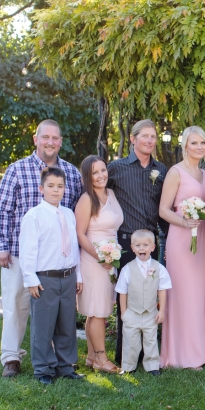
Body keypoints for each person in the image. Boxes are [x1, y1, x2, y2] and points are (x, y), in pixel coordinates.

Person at [0, 119, 82, 378]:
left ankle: (54, 360)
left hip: (56, 260)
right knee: (16, 305)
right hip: (21, 256)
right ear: (36, 139)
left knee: (52, 312)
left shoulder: (71, 173)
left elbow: (75, 211)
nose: (50, 142)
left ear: (61, 142)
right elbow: (2, 209)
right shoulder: (18, 169)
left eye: (55, 138)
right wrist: (2, 246)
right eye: (45, 137)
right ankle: (11, 357)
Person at [158, 126, 205, 370]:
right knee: (184, 296)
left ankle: (202, 351)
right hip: (181, 240)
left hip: (201, 238)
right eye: (194, 143)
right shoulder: (176, 172)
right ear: (185, 146)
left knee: (200, 295)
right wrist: (184, 221)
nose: (199, 147)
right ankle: (180, 355)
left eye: (202, 143)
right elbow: (163, 210)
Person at [108, 119, 168, 364]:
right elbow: (98, 196)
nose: (149, 141)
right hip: (126, 245)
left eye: (153, 136)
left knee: (150, 299)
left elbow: (164, 208)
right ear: (133, 139)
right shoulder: (116, 168)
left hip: (151, 245)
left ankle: (149, 356)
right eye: (144, 136)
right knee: (128, 300)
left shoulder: (161, 170)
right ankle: (126, 356)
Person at [19, 167, 83, 384]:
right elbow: (27, 251)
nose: (56, 191)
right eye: (51, 186)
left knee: (66, 323)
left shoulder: (68, 214)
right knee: (44, 325)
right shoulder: (34, 216)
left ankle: (65, 365)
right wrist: (30, 279)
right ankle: (43, 368)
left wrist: (78, 275)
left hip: (68, 276)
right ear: (41, 188)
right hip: (44, 278)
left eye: (60, 186)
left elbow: (74, 246)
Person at [74, 155, 122, 374]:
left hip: (110, 258)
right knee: (97, 311)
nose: (101, 175)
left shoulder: (111, 194)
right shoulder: (87, 199)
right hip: (94, 260)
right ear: (88, 176)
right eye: (95, 172)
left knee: (98, 310)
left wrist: (110, 257)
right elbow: (80, 234)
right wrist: (101, 256)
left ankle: (92, 358)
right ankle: (102, 359)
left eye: (103, 170)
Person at [115, 229, 171, 375]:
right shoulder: (127, 269)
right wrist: (123, 313)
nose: (142, 248)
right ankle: (128, 366)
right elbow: (122, 292)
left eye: (146, 245)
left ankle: (152, 366)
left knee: (151, 340)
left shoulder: (159, 269)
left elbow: (162, 290)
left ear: (153, 247)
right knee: (130, 341)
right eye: (138, 245)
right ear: (132, 248)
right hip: (132, 312)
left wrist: (161, 310)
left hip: (150, 312)